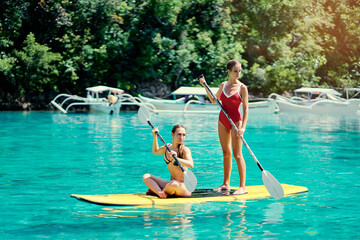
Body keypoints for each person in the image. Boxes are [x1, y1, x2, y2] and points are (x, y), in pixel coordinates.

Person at [199, 59, 249, 195]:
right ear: (228, 71)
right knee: (226, 153)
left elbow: (245, 109)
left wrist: (243, 127)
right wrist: (205, 85)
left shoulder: (242, 88)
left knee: (237, 154)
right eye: (235, 71)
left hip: (236, 123)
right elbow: (213, 100)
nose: (238, 74)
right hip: (222, 120)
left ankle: (242, 186)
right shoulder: (223, 85)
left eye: (239, 71)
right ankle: (225, 184)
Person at [142, 125, 194, 199]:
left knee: (173, 184)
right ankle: (160, 192)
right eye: (179, 134)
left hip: (183, 187)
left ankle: (156, 191)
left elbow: (191, 165)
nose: (181, 137)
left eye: (184, 135)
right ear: (172, 134)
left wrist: (177, 159)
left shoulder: (184, 150)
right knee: (146, 176)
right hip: (170, 185)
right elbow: (155, 151)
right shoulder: (167, 147)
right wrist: (155, 136)